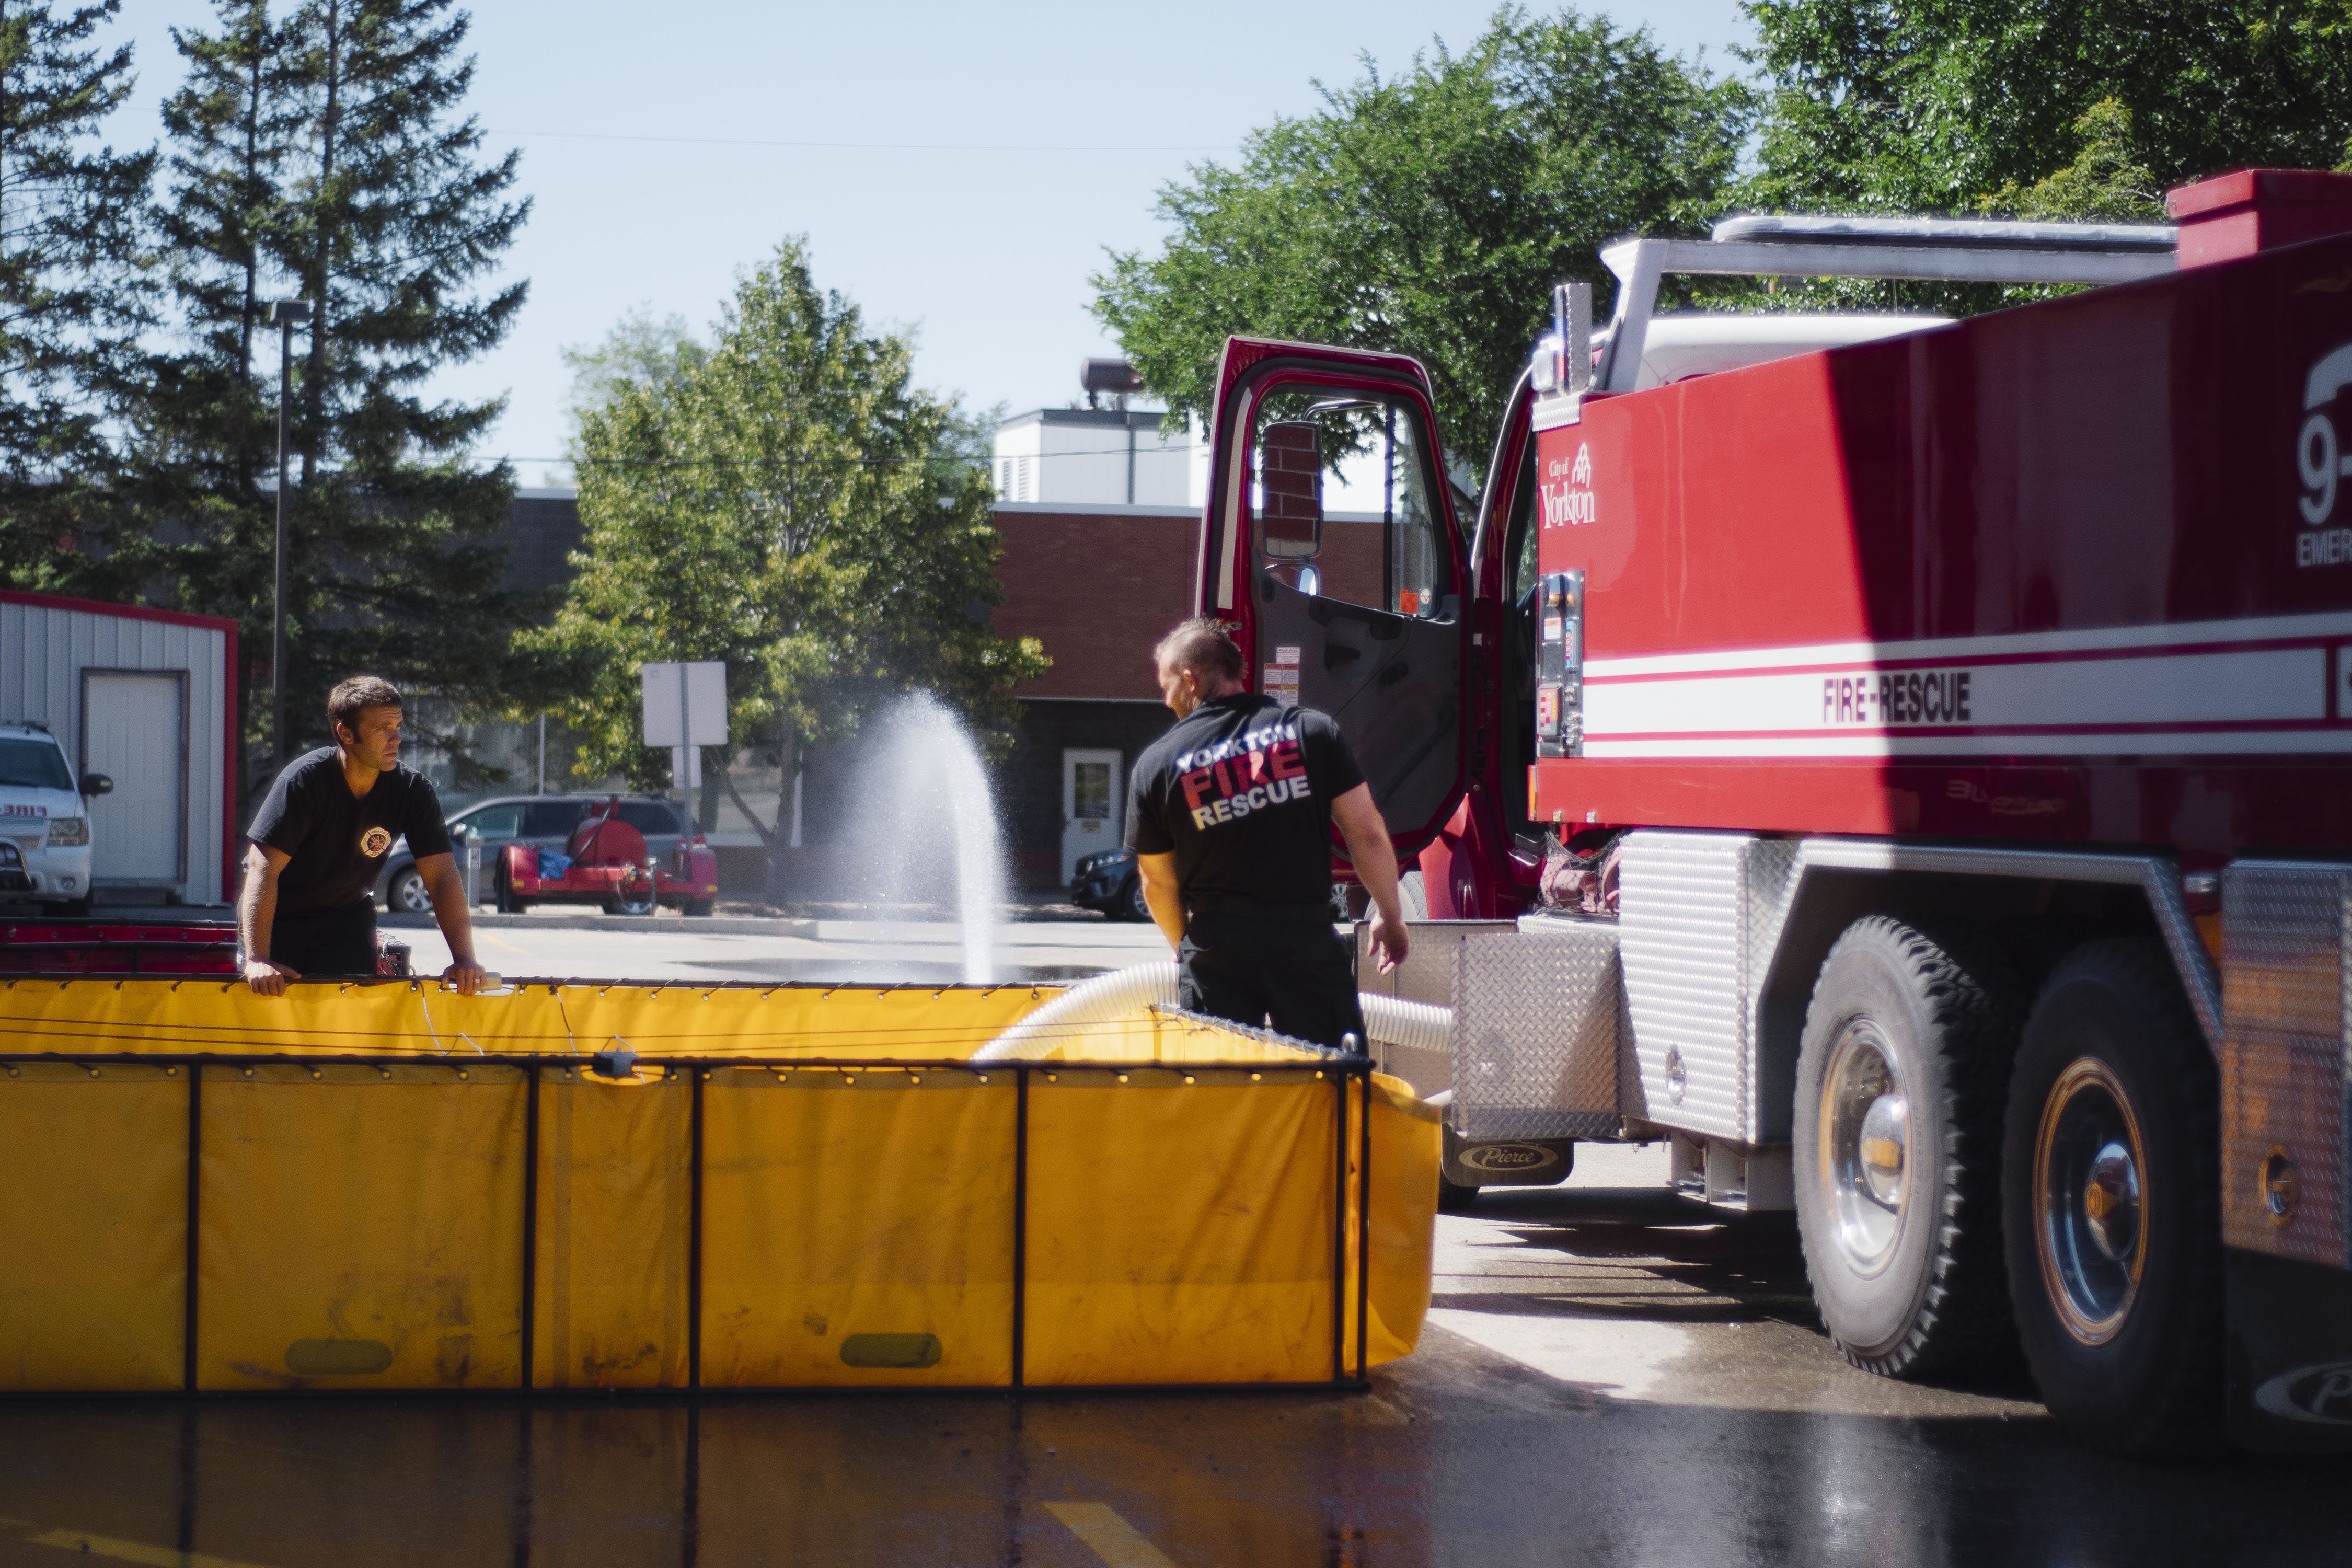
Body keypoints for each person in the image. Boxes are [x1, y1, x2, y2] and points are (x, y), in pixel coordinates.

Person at [1125, 618, 1409, 1048]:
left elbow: (1157, 882)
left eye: (1167, 687)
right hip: (1304, 940)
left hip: (1216, 945)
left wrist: (1187, 948)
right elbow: (1366, 834)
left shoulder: (1157, 764)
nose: (1167, 701)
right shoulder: (1312, 731)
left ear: (1190, 679)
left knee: (1224, 1092)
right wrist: (1389, 914)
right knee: (1333, 1083)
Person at [238, 675, 488, 996]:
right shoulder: (304, 781)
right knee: (275, 1026)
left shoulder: (412, 790)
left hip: (346, 919)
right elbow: (263, 868)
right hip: (278, 918)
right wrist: (258, 958)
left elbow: (440, 876)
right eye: (382, 728)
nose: (396, 738)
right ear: (346, 733)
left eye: (398, 726)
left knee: (346, 1026)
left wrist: (465, 960)